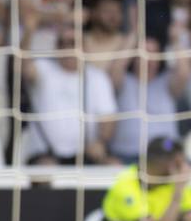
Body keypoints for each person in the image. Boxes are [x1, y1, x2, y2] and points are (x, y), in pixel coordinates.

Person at [20, 26, 119, 165]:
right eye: (62, 43)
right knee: (46, 171)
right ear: (56, 47)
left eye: (73, 42)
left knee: (114, 166)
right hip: (45, 153)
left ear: (84, 47)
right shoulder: (43, 68)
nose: (67, 47)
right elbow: (21, 66)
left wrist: (100, 143)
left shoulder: (98, 77)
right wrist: (29, 28)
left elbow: (108, 119)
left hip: (86, 152)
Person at [112, 35, 191, 163]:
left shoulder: (167, 82)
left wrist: (176, 38)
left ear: (159, 59)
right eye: (143, 54)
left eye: (153, 54)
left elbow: (184, 72)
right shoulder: (123, 82)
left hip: (166, 153)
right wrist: (134, 32)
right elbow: (116, 67)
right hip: (126, 155)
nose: (148, 59)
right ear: (134, 58)